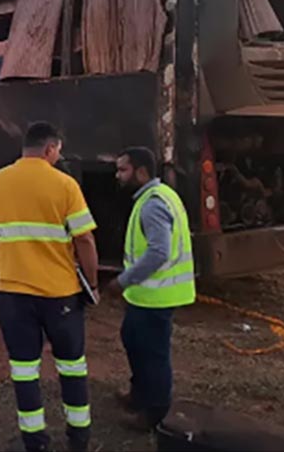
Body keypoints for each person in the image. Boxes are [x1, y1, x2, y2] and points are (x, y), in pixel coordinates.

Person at [0, 122, 99, 452]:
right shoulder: (65, 184)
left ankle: (35, 441)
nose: (58, 156)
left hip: (13, 294)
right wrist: (93, 283)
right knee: (72, 366)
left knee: (24, 370)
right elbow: (84, 238)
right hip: (61, 295)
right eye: (58, 151)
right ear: (49, 149)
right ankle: (79, 437)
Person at [107, 147, 196, 431]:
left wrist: (122, 281)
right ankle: (139, 395)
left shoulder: (153, 204)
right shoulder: (157, 197)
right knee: (133, 339)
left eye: (123, 170)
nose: (118, 176)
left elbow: (158, 252)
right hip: (146, 295)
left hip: (156, 296)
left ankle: (155, 413)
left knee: (152, 353)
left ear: (141, 172)